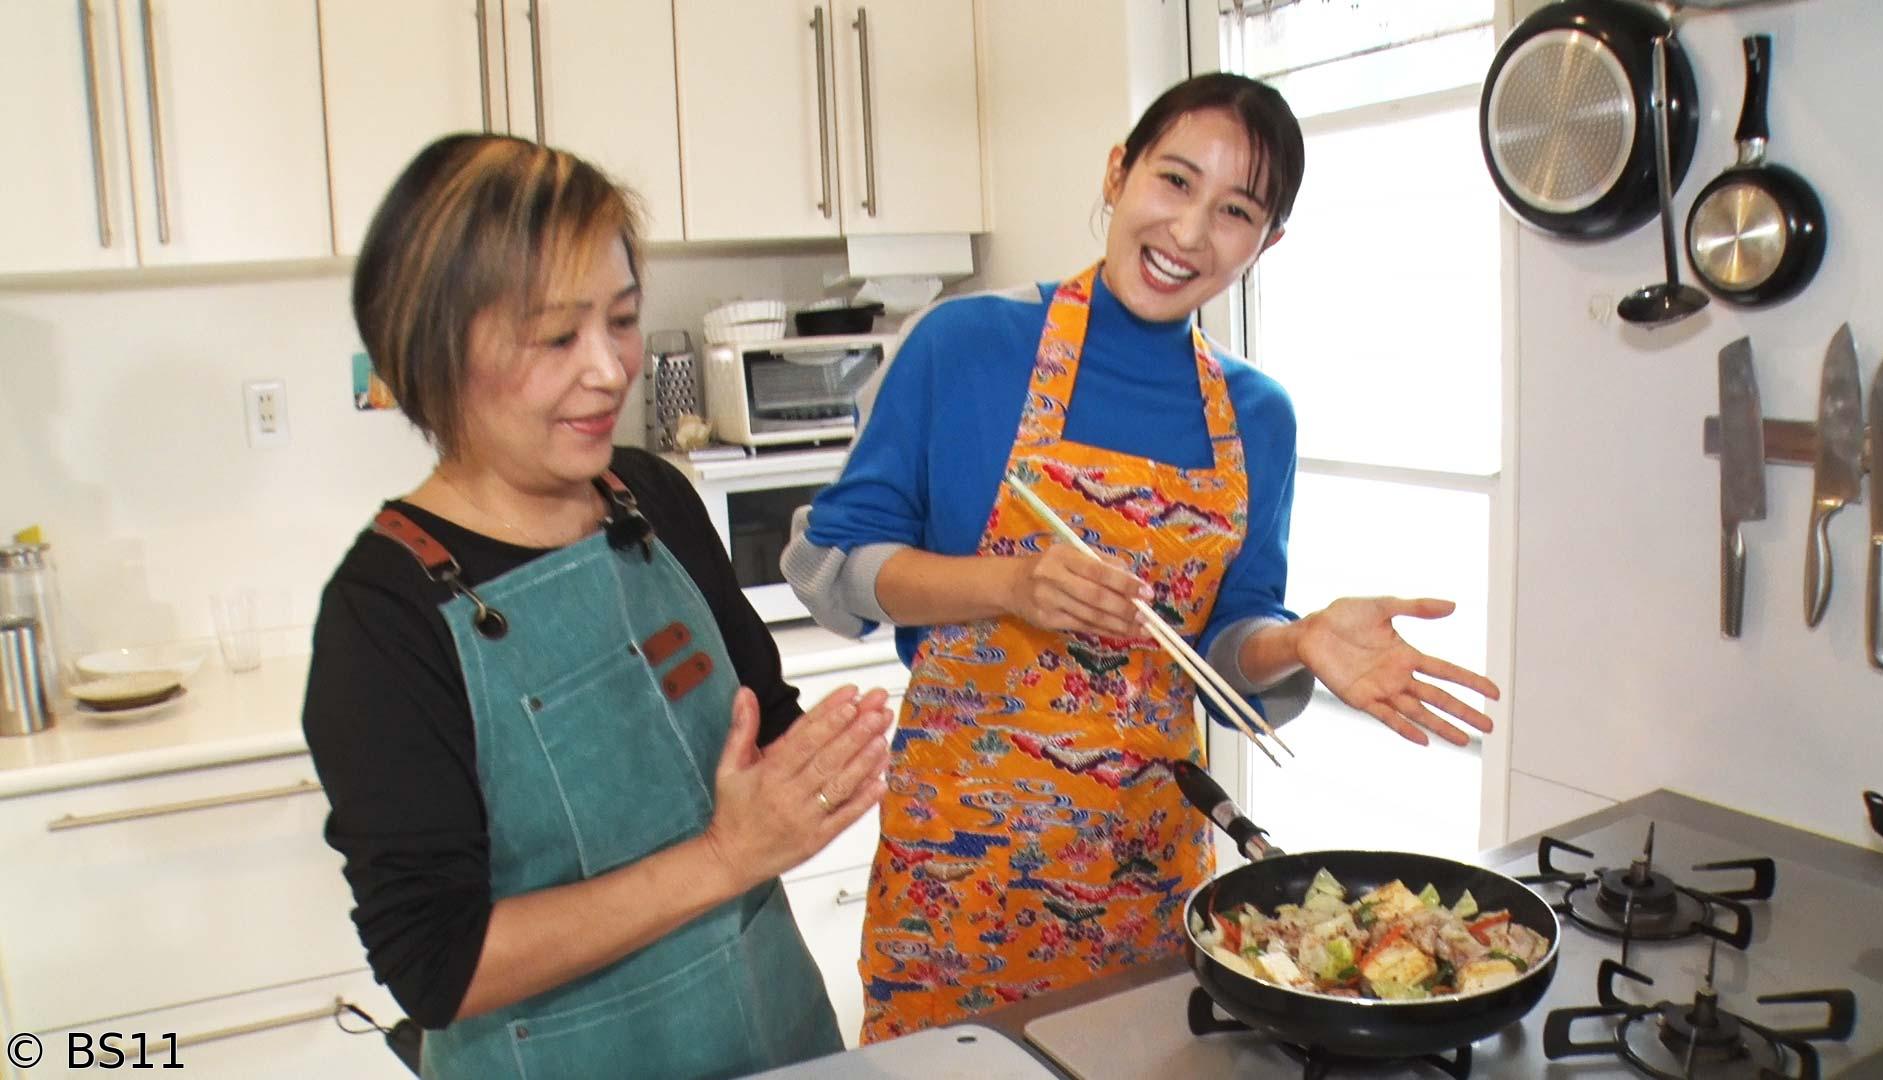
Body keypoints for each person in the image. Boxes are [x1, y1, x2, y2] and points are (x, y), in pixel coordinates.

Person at [781, 73, 1502, 1042]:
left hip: (1145, 866)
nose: (1191, 232)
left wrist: (1296, 643)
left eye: (1236, 211)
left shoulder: (1257, 415)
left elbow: (1220, 650)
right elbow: (839, 568)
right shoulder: (970, 346)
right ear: (1120, 172)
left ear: (1266, 243)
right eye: (1173, 181)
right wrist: (1010, 581)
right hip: (959, 865)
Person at [303, 133, 892, 1079]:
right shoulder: (383, 617)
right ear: (435, 348)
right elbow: (437, 966)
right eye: (555, 337)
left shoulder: (652, 499)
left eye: (621, 320)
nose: (610, 370)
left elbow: (764, 725)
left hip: (772, 1037)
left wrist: (866, 757)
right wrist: (724, 857)